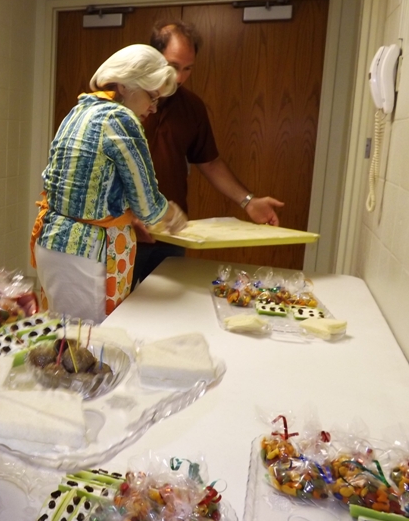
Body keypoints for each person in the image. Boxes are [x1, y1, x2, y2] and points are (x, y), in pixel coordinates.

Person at [30, 44, 188, 324]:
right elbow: (149, 206)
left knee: (63, 333)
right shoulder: (120, 118)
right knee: (90, 340)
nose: (153, 107)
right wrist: (173, 215)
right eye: (152, 96)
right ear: (125, 85)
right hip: (85, 253)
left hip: (53, 243)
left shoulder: (80, 109)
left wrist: (129, 216)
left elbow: (89, 189)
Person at [131, 20, 285, 286]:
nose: (179, 77)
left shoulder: (192, 107)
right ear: (154, 56)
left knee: (169, 306)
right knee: (117, 308)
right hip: (122, 233)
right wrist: (127, 216)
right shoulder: (121, 101)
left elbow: (210, 162)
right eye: (173, 66)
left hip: (170, 232)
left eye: (188, 68)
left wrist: (249, 201)